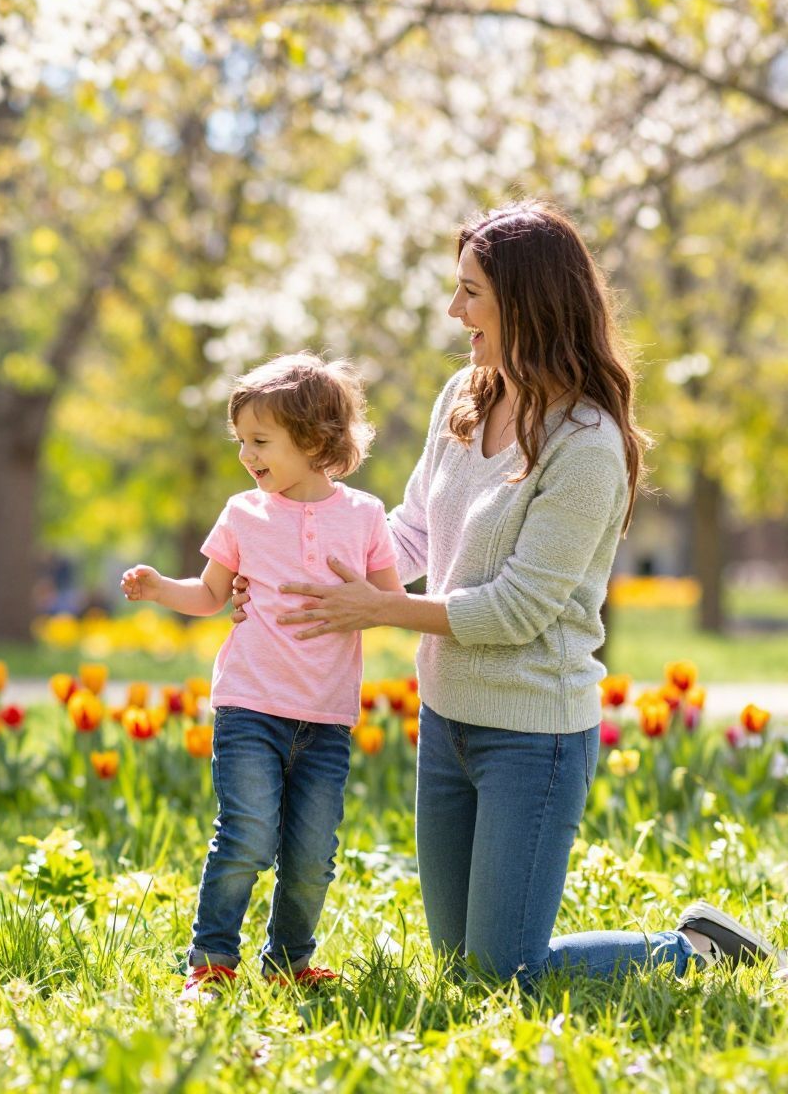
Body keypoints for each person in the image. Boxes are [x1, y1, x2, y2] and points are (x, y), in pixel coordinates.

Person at [264, 200, 774, 982]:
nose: (453, 309)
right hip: (447, 724)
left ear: (526, 301)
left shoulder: (588, 445)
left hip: (532, 736)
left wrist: (383, 611)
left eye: (470, 291)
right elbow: (410, 534)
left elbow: (516, 609)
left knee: (507, 972)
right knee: (459, 969)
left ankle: (694, 952)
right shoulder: (463, 398)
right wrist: (298, 580)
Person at [122, 353, 400, 996]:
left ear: (314, 440)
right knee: (245, 836)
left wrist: (364, 598)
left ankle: (288, 962)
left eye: (261, 441)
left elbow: (391, 600)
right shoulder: (243, 513)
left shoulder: (363, 515)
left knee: (310, 857)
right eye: (241, 441)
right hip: (250, 705)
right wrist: (163, 588)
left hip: (326, 717)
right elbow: (211, 595)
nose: (247, 454)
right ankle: (211, 961)